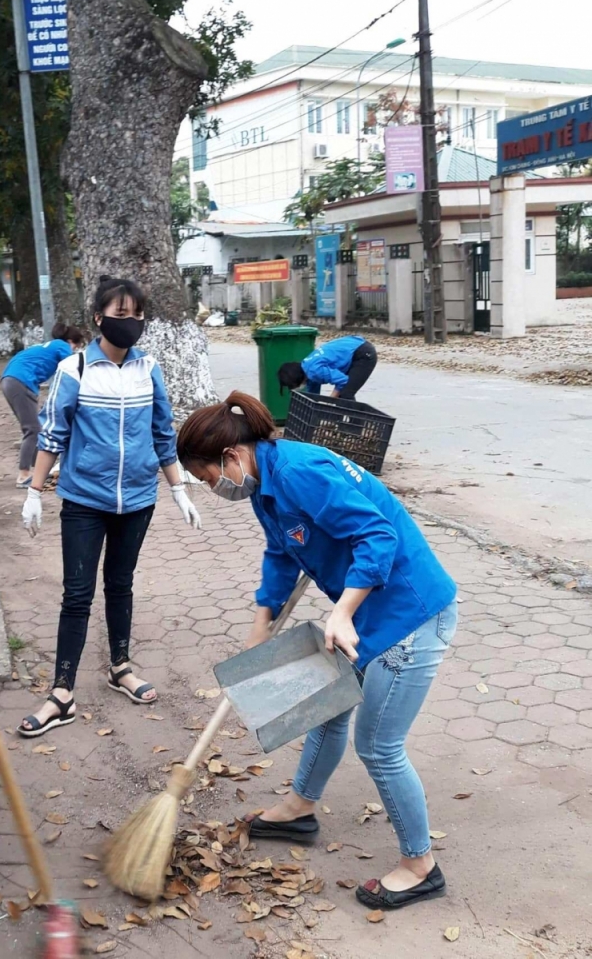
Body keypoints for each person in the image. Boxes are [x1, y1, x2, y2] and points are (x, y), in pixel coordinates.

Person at [176, 390, 458, 912]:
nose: (211, 488)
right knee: (326, 709)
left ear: (232, 458)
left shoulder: (302, 472)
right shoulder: (267, 485)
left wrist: (342, 611)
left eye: (208, 478)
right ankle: (300, 808)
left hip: (410, 613)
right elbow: (282, 552)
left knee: (378, 745)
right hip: (368, 612)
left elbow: (377, 536)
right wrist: (261, 620)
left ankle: (420, 865)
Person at [16, 276, 203, 738]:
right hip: (84, 501)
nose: (131, 323)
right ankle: (61, 693)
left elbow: (163, 434)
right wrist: (33, 493)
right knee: (77, 595)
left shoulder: (149, 368)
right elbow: (52, 434)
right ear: (98, 318)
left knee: (120, 584)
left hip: (138, 499)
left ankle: (120, 667)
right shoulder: (75, 369)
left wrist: (178, 489)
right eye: (121, 315)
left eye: (138, 315)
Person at [1, 322, 85, 488]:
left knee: (35, 428)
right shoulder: (62, 346)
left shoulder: (49, 346)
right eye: (76, 347)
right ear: (71, 341)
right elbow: (75, 368)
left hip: (10, 379)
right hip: (21, 381)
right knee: (32, 430)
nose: (74, 350)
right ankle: (24, 474)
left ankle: (38, 471)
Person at [278, 335, 377, 399]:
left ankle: (356, 428)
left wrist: (331, 399)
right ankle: (343, 424)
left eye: (292, 386)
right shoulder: (307, 368)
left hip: (363, 354)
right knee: (342, 394)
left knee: (346, 393)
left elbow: (343, 381)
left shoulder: (314, 371)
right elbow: (313, 396)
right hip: (353, 346)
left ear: (297, 379)